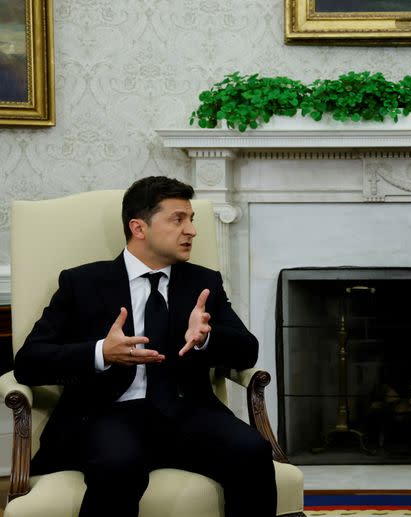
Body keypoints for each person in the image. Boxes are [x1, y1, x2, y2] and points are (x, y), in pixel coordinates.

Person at [14, 177, 276, 517]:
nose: (192, 230)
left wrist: (207, 338)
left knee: (252, 450)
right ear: (139, 227)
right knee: (119, 464)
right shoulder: (82, 283)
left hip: (187, 411)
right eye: (178, 219)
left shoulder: (203, 281)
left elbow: (247, 351)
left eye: (192, 219)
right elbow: (29, 362)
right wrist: (100, 353)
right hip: (106, 414)